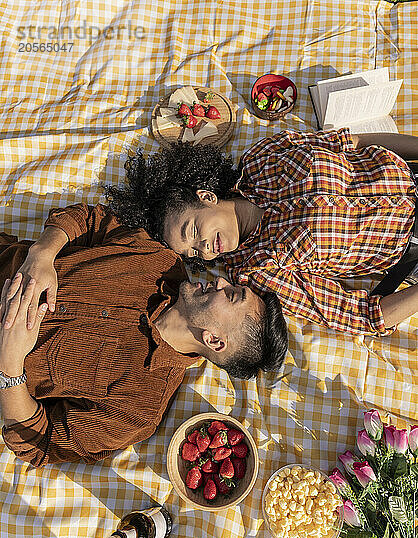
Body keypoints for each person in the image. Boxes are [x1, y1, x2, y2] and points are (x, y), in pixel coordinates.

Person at [0, 203, 288, 467]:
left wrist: (10, 366)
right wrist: (42, 254)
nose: (222, 281)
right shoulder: (160, 261)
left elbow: (41, 442)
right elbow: (90, 219)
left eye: (232, 295)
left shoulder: (140, 408)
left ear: (214, 340)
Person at [104, 128, 418, 337]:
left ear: (207, 197)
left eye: (193, 230)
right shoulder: (258, 270)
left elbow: (352, 143)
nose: (203, 247)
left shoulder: (264, 157)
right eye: (193, 252)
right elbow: (367, 316)